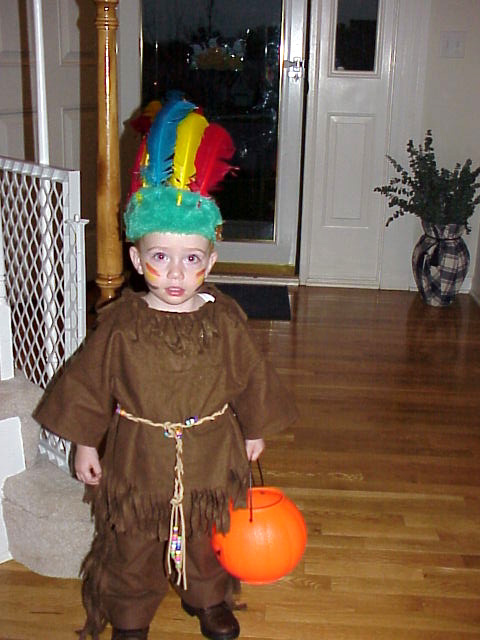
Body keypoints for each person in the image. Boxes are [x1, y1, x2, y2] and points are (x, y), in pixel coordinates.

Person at [33, 101, 297, 640]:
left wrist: (254, 429)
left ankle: (209, 597)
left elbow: (250, 377)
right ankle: (130, 615)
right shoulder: (121, 325)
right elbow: (88, 383)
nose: (176, 273)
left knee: (204, 533)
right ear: (136, 260)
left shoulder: (224, 320)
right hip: (139, 459)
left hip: (210, 456)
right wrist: (84, 444)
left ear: (210, 261)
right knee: (133, 541)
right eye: (160, 258)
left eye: (191, 259)